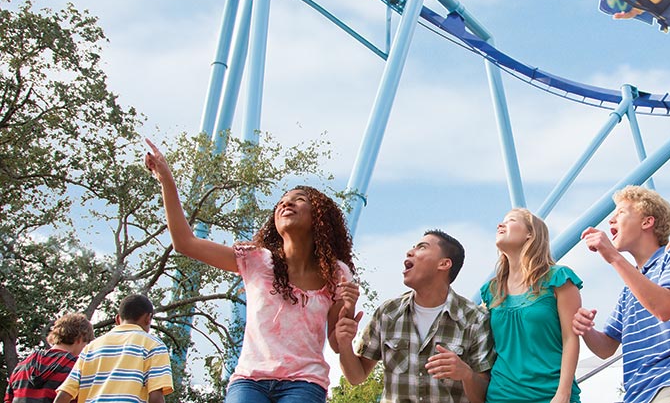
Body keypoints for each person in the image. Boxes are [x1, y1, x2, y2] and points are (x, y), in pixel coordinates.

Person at [144, 139, 356, 403]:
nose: (285, 205)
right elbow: (185, 243)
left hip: (304, 383)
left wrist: (347, 316)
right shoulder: (255, 259)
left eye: (298, 200)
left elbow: (336, 343)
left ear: (319, 219)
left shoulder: (336, 274)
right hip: (249, 381)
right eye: (281, 202)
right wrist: (166, 179)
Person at [572, 186, 670, 403]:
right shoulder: (630, 289)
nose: (611, 220)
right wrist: (585, 328)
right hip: (638, 392)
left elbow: (665, 308)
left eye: (620, 213)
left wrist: (612, 257)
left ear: (647, 222)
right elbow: (605, 348)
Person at [335, 231, 494, 403]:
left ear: (444, 263)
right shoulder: (388, 312)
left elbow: (482, 396)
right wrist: (344, 344)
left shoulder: (475, 319)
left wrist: (466, 374)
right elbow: (356, 377)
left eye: (422, 247)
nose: (410, 252)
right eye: (412, 247)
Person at [481, 209, 582, 403]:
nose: (500, 225)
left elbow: (571, 337)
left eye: (510, 220)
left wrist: (563, 393)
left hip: (551, 394)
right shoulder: (490, 290)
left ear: (530, 233)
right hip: (501, 395)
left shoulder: (558, 278)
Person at [54, 295, 173, 403]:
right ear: (148, 318)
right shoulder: (154, 346)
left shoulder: (90, 348)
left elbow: (65, 394)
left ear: (117, 319)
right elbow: (156, 397)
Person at [4, 314, 93, 403]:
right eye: (86, 344)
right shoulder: (77, 367)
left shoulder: (22, 366)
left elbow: (8, 400)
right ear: (80, 338)